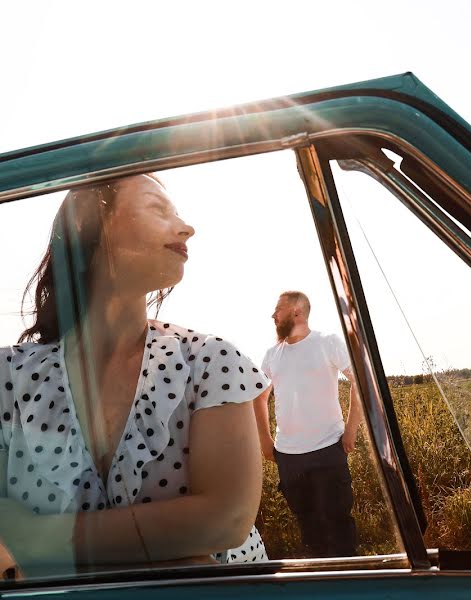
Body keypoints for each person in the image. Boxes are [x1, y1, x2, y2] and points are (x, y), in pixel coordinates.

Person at [0, 174, 270, 573]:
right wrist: (176, 551)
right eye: (158, 209)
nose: (186, 227)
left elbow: (225, 520)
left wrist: (39, 542)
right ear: (83, 221)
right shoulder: (8, 375)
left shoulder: (211, 360)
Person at [254, 291, 362, 557]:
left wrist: (350, 430)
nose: (273, 315)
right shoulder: (272, 354)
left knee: (338, 525)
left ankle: (350, 581)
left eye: (278, 309)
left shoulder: (327, 342)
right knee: (309, 527)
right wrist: (265, 441)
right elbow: (259, 397)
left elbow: (359, 381)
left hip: (328, 448)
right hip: (289, 456)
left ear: (296, 311)